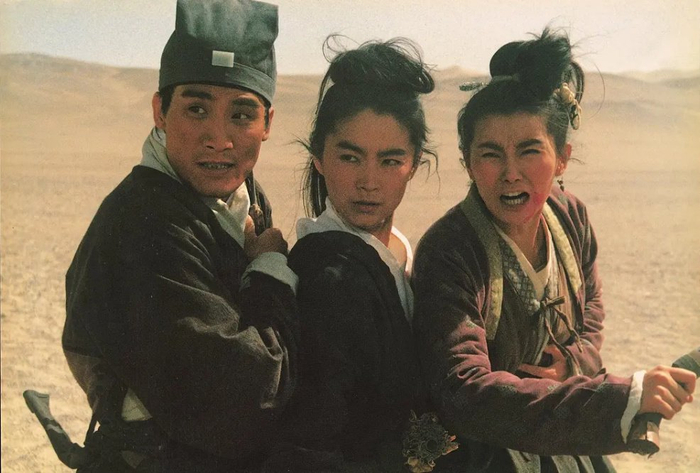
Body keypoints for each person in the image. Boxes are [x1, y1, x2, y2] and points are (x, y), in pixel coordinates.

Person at [411, 28, 696, 472]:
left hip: (568, 435)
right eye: (490, 154)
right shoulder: (450, 251)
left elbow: (591, 309)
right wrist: (621, 400)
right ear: (467, 161)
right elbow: (463, 388)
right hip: (486, 453)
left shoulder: (570, 217)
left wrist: (574, 363)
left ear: (562, 157)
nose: (510, 173)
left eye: (529, 151)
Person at [61, 1, 299, 471]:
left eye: (241, 114)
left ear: (268, 124)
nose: (219, 139)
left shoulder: (242, 194)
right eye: (196, 109)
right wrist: (270, 270)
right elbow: (249, 399)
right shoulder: (144, 223)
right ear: (160, 112)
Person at [262, 38, 456, 472]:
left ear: (415, 163)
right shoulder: (329, 278)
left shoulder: (398, 250)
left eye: (390, 161)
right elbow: (312, 444)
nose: (368, 182)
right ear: (318, 157)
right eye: (350, 157)